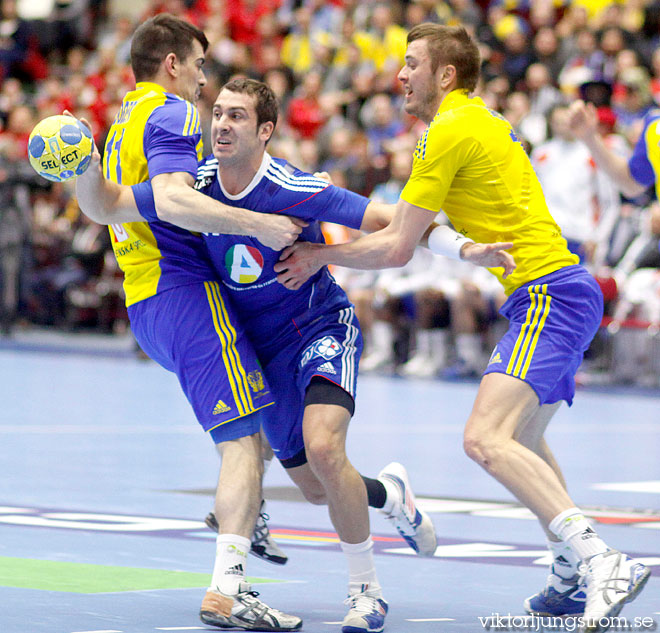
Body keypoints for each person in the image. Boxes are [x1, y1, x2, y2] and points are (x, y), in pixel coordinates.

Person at [77, 76, 513, 633]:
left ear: (265, 131)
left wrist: (463, 248)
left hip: (316, 329)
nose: (221, 125)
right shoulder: (195, 190)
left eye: (237, 117)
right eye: (218, 114)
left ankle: (366, 592)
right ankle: (390, 494)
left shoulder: (293, 186)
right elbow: (110, 205)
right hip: (261, 352)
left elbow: (389, 221)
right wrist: (84, 170)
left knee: (325, 449)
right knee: (315, 486)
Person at [275, 24, 650, 632]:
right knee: (522, 440)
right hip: (564, 289)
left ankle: (600, 558)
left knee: (484, 439)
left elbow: (398, 244)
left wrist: (321, 256)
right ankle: (567, 575)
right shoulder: (482, 119)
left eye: (412, 64)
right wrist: (465, 250)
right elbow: (427, 231)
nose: (399, 75)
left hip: (547, 294)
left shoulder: (445, 131)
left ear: (445, 76)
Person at [79, 14, 304, 631]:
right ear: (173, 63)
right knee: (238, 444)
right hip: (185, 295)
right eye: (202, 67)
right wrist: (260, 224)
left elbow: (104, 207)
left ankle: (244, 514)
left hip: (145, 302)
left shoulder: (120, 120)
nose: (206, 84)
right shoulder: (171, 112)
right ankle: (229, 589)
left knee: (247, 426)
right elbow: (175, 197)